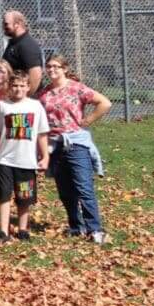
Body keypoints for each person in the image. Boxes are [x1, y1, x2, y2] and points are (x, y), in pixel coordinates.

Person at [36, 55, 111, 243]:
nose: (52, 70)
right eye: (49, 66)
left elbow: (105, 103)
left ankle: (95, 229)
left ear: (64, 69)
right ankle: (76, 226)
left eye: (56, 66)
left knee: (83, 187)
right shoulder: (44, 93)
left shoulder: (76, 88)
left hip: (76, 143)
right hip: (55, 145)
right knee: (65, 190)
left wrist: (88, 120)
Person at [0, 70, 50, 243]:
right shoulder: (3, 106)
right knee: (4, 195)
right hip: (5, 159)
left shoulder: (35, 106)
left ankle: (23, 229)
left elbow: (42, 134)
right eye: (14, 85)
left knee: (24, 197)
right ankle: (3, 230)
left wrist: (45, 156)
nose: (18, 89)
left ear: (28, 87)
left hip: (27, 161)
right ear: (9, 87)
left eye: (22, 86)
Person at [1, 11, 45, 91]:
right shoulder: (15, 43)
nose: (3, 27)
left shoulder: (27, 45)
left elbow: (35, 74)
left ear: (17, 24)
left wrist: (26, 98)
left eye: (6, 24)